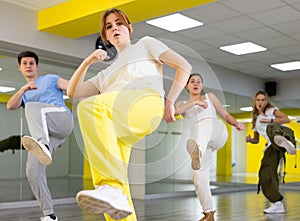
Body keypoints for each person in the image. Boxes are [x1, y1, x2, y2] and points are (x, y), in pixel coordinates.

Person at [67, 8, 192, 221]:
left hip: (145, 103)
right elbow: (73, 92)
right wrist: (88, 62)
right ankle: (114, 192)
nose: (114, 28)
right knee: (116, 198)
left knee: (89, 107)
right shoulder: (104, 74)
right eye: (109, 27)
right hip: (118, 125)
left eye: (119, 23)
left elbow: (184, 66)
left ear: (129, 28)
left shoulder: (146, 44)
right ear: (105, 36)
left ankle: (110, 187)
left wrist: (169, 101)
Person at [7, 51, 74, 221]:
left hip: (62, 119)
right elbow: (10, 105)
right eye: (25, 64)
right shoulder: (25, 93)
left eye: (31, 63)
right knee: (32, 170)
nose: (28, 66)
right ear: (20, 68)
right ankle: (49, 214)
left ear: (37, 66)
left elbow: (72, 86)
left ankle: (42, 143)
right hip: (50, 133)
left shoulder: (50, 79)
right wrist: (23, 89)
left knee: (32, 108)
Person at [175, 73, 244, 221]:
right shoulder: (182, 104)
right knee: (198, 176)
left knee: (203, 125)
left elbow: (224, 114)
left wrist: (236, 123)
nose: (196, 83)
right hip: (203, 142)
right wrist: (195, 103)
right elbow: (174, 112)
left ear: (202, 86)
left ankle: (196, 151)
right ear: (186, 86)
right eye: (192, 81)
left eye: (199, 81)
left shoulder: (210, 97)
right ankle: (209, 213)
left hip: (217, 132)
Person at [245, 90, 296, 214]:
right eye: (258, 100)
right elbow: (257, 140)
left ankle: (283, 141)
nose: (260, 102)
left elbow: (286, 119)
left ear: (266, 101)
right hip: (271, 147)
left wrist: (270, 121)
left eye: (263, 100)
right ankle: (277, 202)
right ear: (255, 102)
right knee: (265, 173)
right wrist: (251, 140)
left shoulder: (270, 111)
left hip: (278, 131)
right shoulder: (255, 119)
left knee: (271, 129)